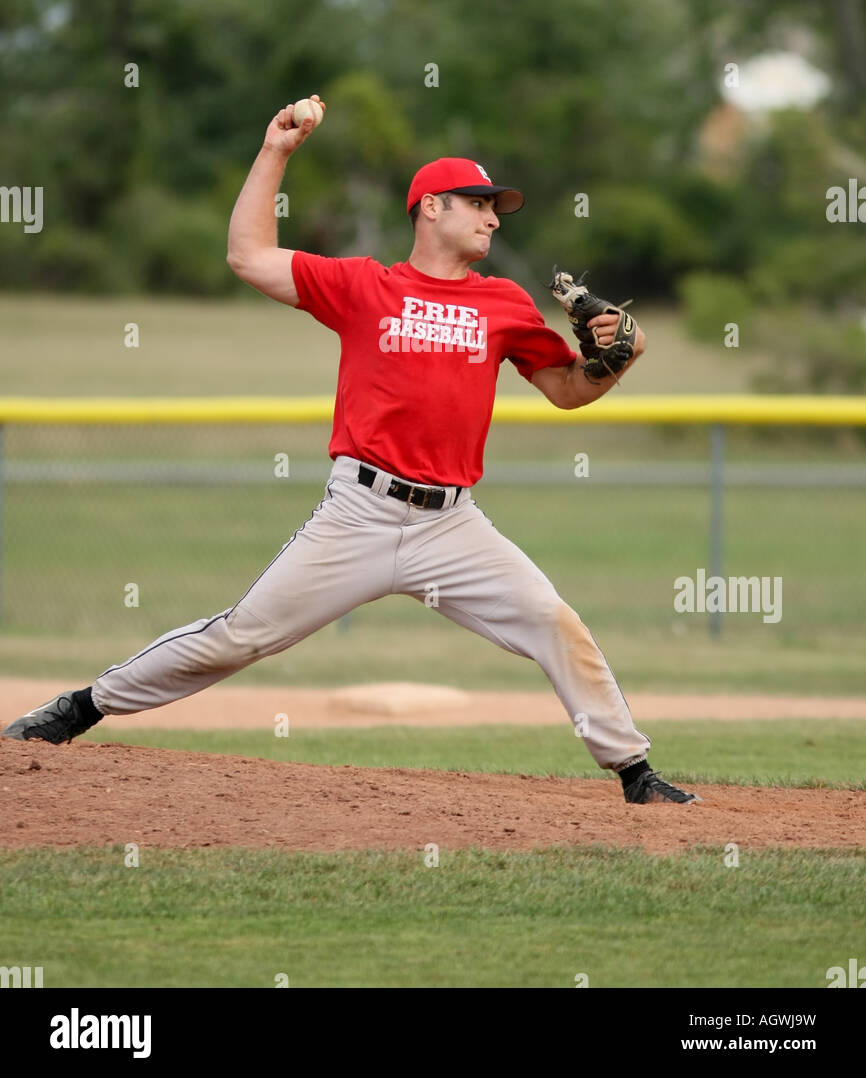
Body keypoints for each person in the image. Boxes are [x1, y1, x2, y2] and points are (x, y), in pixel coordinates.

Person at [3, 97, 699, 806]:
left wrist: (619, 359)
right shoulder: (366, 285)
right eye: (479, 203)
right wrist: (276, 150)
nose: (493, 217)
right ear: (431, 208)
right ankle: (83, 706)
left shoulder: (506, 304)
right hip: (359, 513)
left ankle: (636, 774)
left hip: (452, 526)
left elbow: (568, 391)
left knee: (555, 622)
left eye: (497, 208)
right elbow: (247, 255)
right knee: (241, 636)